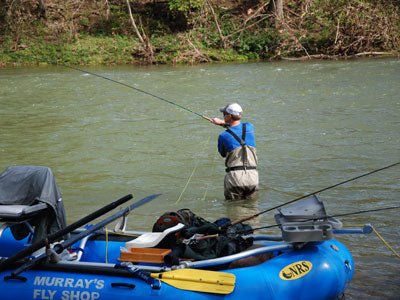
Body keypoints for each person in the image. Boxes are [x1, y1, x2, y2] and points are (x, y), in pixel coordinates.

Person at [210, 103, 259, 200]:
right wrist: (223, 123)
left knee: (234, 210)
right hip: (252, 177)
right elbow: (237, 127)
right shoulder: (249, 127)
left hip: (235, 178)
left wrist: (221, 123)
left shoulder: (223, 136)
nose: (223, 116)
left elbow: (223, 154)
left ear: (228, 116)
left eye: (224, 114)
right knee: (252, 209)